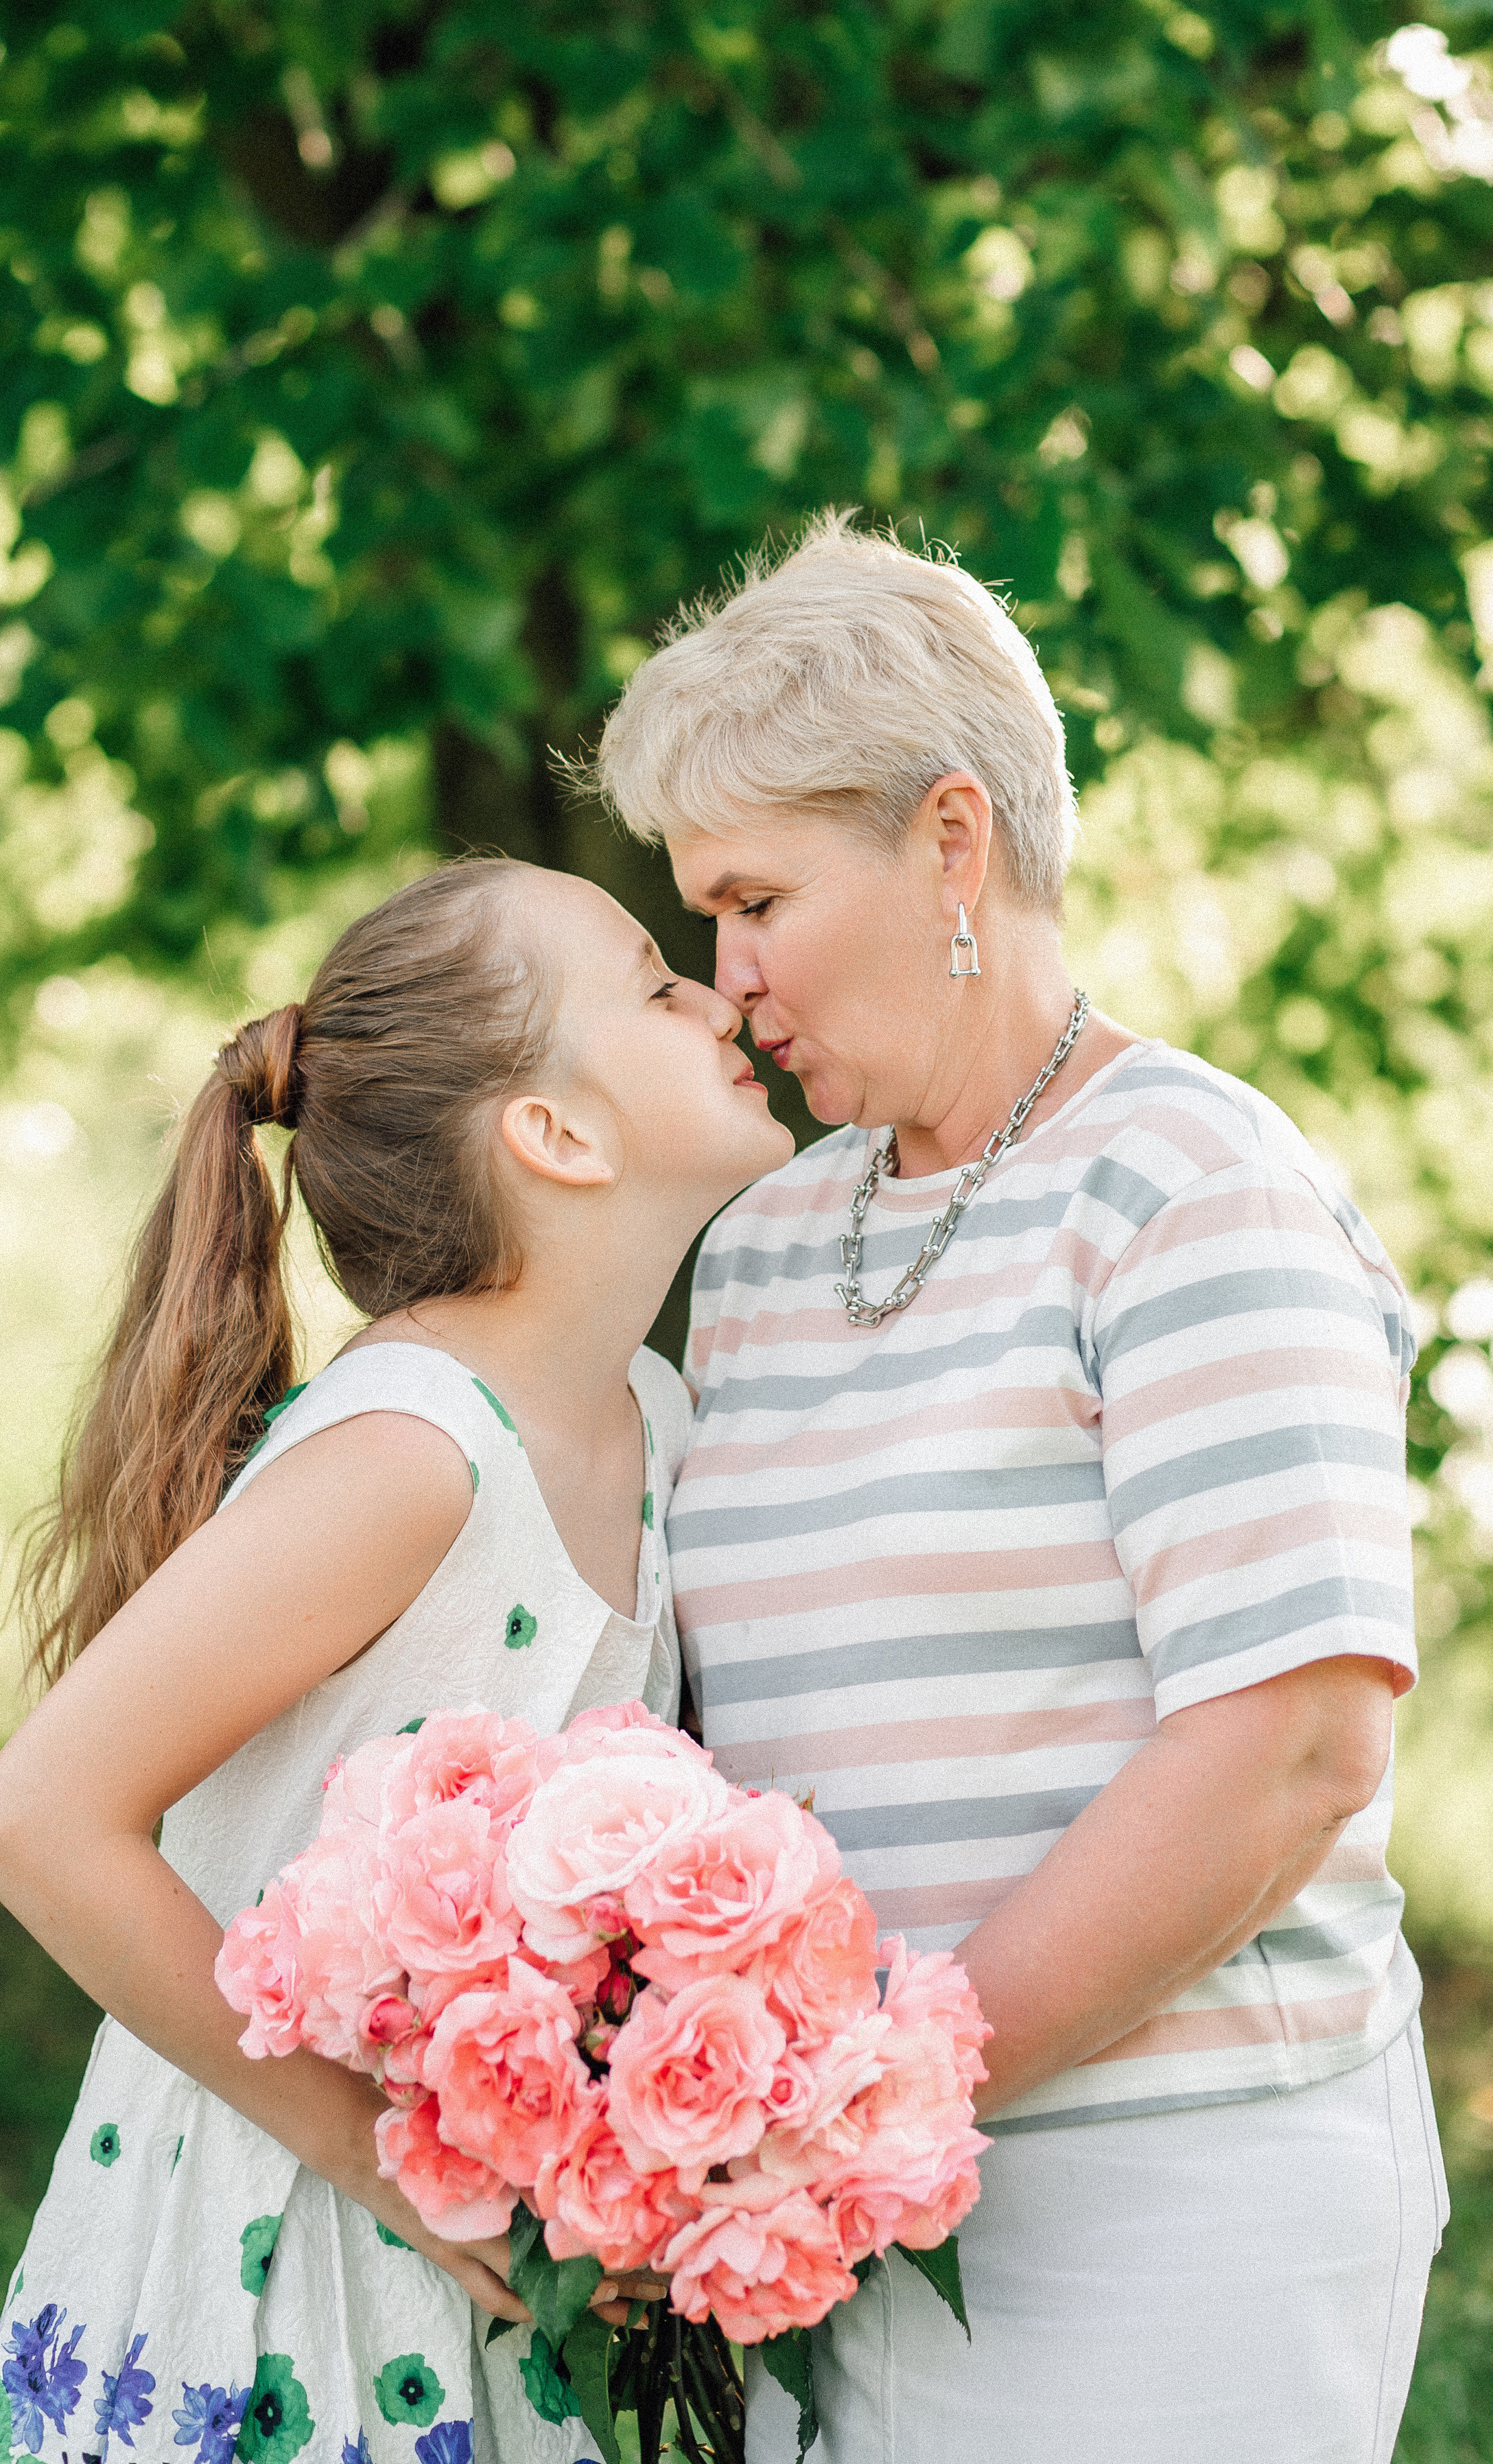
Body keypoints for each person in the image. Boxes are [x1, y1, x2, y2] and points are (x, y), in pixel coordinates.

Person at [586, 515, 1448, 2464]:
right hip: (830, 2206)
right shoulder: (773, 1237)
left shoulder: (1191, 1189)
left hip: (1174, 2194)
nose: (725, 983)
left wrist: (885, 2092)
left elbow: (1295, 1744)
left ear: (950, 842)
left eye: (755, 900)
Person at [0, 859, 793, 2464]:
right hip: (276, 2239)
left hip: (469, 2262)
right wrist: (374, 2151)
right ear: (555, 1136)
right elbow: (37, 1818)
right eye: (651, 980)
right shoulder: (414, 1447)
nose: (717, 990)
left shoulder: (659, 1423)